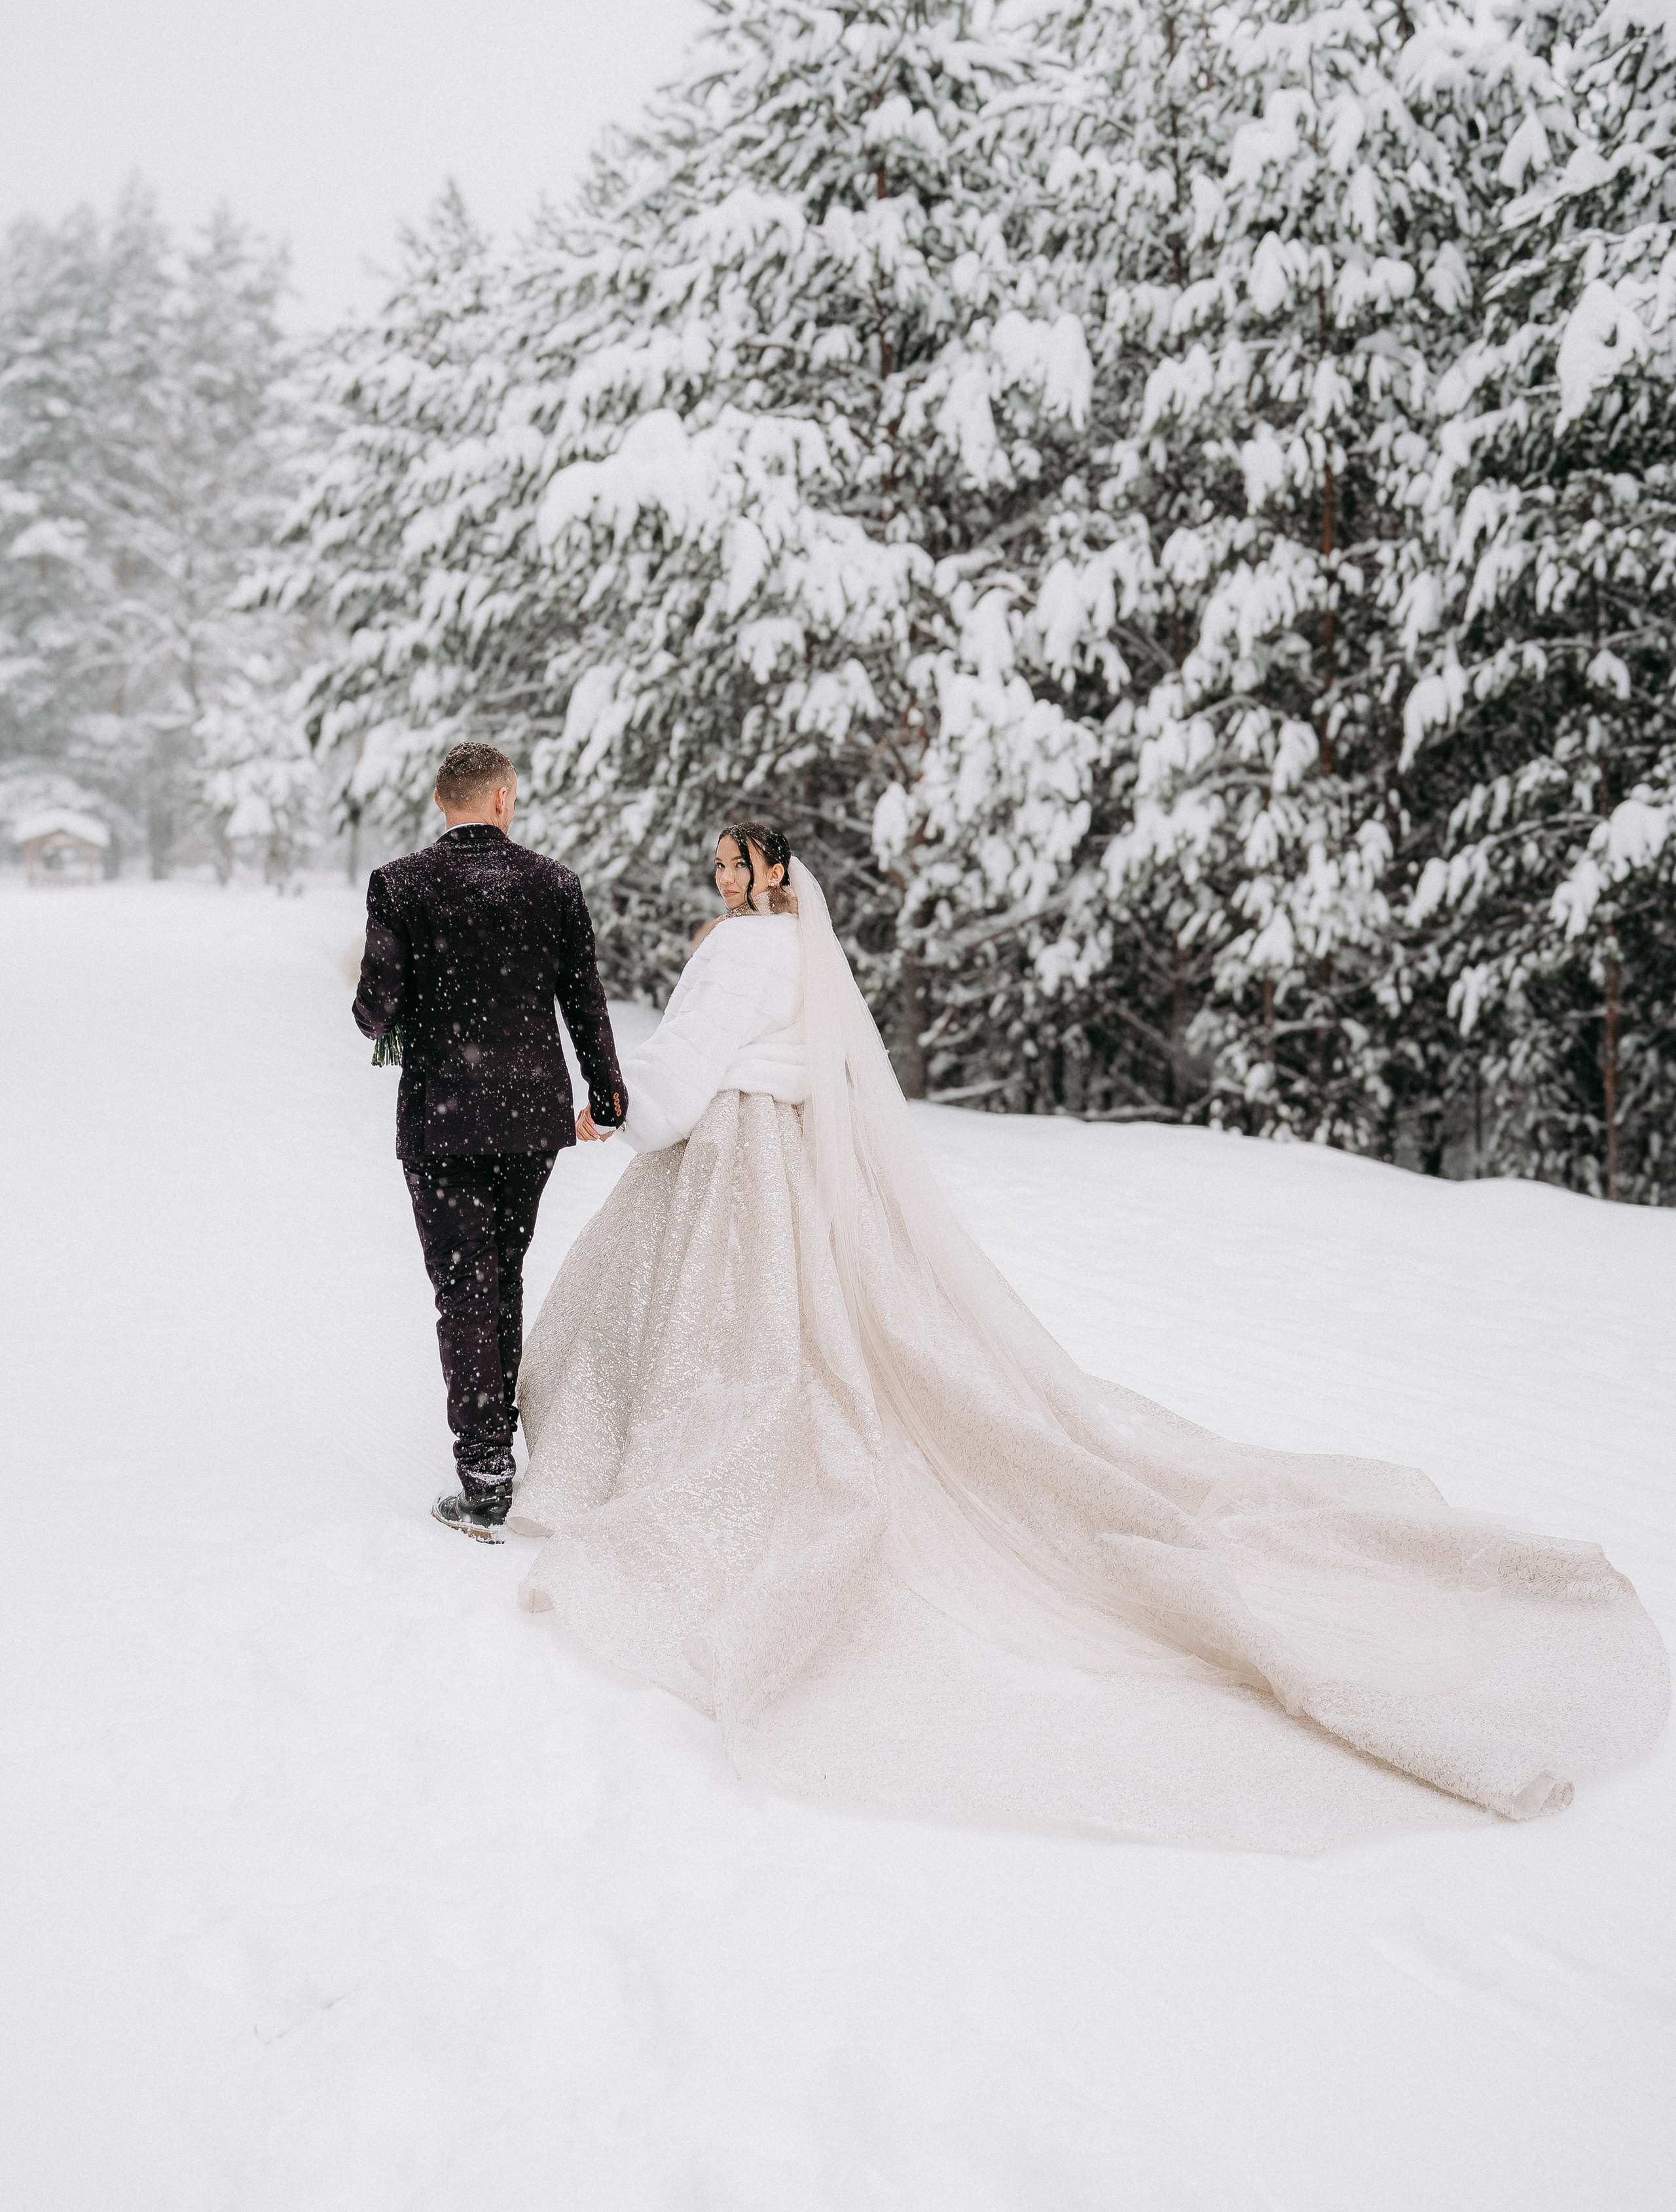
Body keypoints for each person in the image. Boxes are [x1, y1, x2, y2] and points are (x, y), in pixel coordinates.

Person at [501, 815, 1669, 1853]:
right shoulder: (803, 953)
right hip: (806, 1159)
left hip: (737, 1159)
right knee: (818, 1334)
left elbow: (685, 1069)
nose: (721, 882)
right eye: (716, 867)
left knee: (736, 1342)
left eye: (734, 865)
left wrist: (615, 1107)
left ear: (769, 876)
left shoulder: (738, 953)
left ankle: (687, 1473)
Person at [353, 742, 627, 1539]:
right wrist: (606, 1093)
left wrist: (390, 1000)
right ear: (503, 799)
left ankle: (484, 1469)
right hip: (529, 1117)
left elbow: (375, 1012)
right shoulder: (555, 885)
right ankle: (493, 1449)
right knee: (501, 1272)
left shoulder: (400, 884)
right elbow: (584, 997)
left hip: (443, 1117)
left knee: (462, 1284)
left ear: (443, 800)